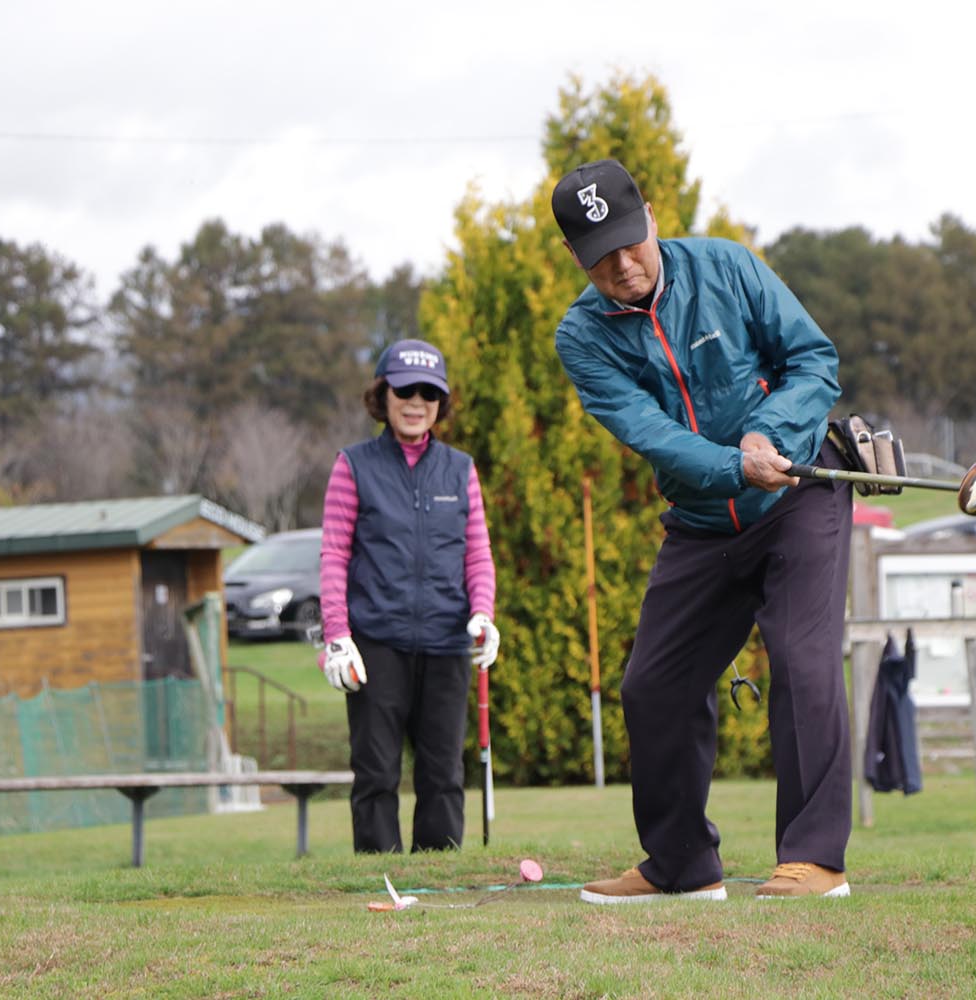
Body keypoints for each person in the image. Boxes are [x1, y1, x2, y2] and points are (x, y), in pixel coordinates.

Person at [549, 159, 854, 902]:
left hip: (799, 498)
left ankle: (816, 861)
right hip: (700, 520)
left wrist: (765, 433)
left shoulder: (727, 266)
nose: (622, 265)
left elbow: (814, 361)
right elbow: (649, 432)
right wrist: (732, 465)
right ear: (575, 257)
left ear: (650, 217)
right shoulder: (581, 338)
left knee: (801, 658)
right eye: (600, 255)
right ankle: (682, 866)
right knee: (653, 687)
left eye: (629, 241)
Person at [317, 338, 500, 853]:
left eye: (429, 392)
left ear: (441, 402)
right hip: (376, 644)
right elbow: (333, 555)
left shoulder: (460, 470)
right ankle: (380, 874)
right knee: (375, 772)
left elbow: (478, 554)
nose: (417, 401)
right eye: (405, 390)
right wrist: (338, 636)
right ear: (384, 395)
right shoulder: (352, 466)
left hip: (446, 644)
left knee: (443, 774)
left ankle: (438, 883)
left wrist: (483, 614)